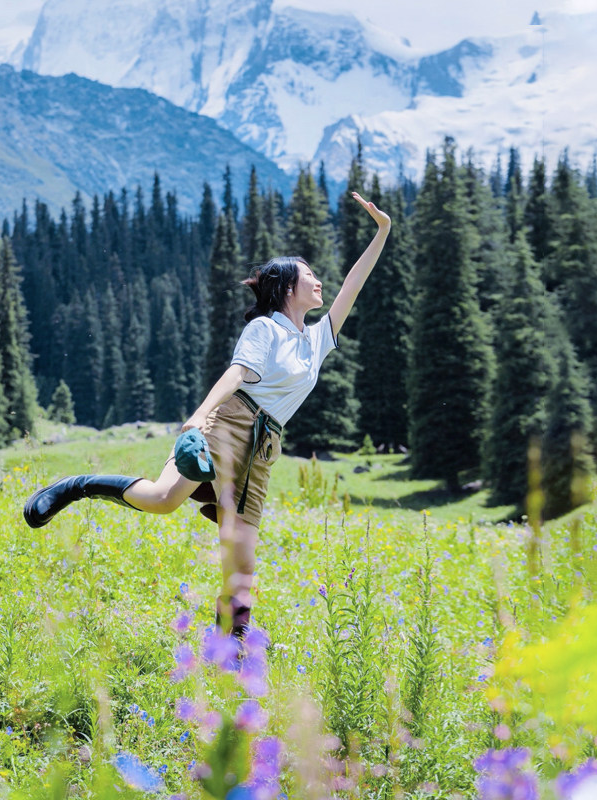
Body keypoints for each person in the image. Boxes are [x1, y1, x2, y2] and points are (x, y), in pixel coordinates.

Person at [24, 192, 391, 637]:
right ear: (287, 288)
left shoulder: (317, 338)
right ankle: (77, 487)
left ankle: (228, 651)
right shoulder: (265, 328)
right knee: (178, 509)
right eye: (309, 275)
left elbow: (355, 282)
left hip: (263, 447)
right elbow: (236, 373)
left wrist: (382, 231)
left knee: (211, 535)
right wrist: (199, 417)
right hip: (230, 424)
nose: (319, 281)